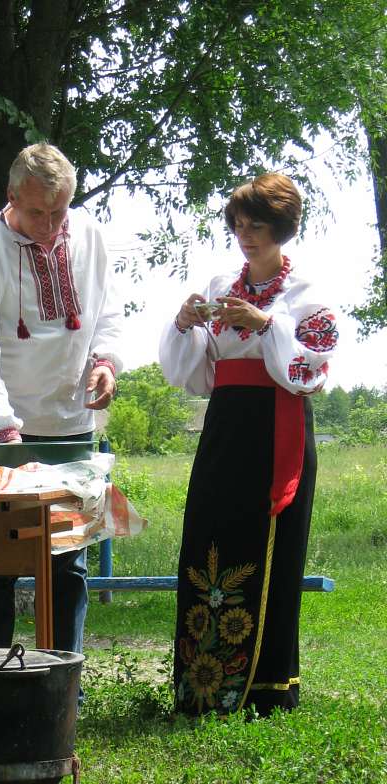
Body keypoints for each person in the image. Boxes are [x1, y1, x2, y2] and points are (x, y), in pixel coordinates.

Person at [159, 172, 338, 716]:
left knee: (271, 545)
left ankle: (267, 687)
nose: (245, 236)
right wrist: (185, 323)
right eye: (238, 226)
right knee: (210, 536)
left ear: (281, 228)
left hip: (276, 426)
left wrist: (266, 324)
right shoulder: (220, 285)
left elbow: (311, 369)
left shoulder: (307, 295)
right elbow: (194, 373)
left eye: (256, 226)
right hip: (225, 426)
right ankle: (203, 684)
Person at [0, 142, 127, 652]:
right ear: (11, 197)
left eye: (59, 212)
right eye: (37, 213)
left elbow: (108, 312)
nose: (50, 225)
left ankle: (62, 679)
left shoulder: (90, 235)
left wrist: (105, 363)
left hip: (71, 424)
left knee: (66, 564)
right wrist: (4, 432)